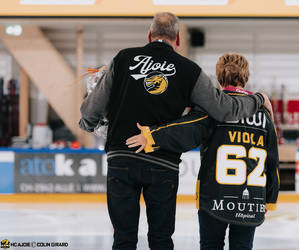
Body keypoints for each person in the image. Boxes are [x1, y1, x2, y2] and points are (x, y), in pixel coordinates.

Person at [79, 12, 273, 250]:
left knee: (123, 238)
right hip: (162, 165)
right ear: (178, 38)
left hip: (122, 159)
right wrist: (259, 99)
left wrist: (91, 125)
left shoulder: (122, 58)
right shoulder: (189, 70)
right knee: (160, 239)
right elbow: (225, 110)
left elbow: (91, 111)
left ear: (149, 35)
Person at [127, 53, 280, 250]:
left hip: (214, 197)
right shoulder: (263, 113)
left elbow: (185, 129)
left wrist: (151, 136)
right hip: (251, 200)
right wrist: (269, 199)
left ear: (218, 76)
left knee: (210, 246)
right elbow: (272, 161)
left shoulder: (214, 106)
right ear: (246, 76)